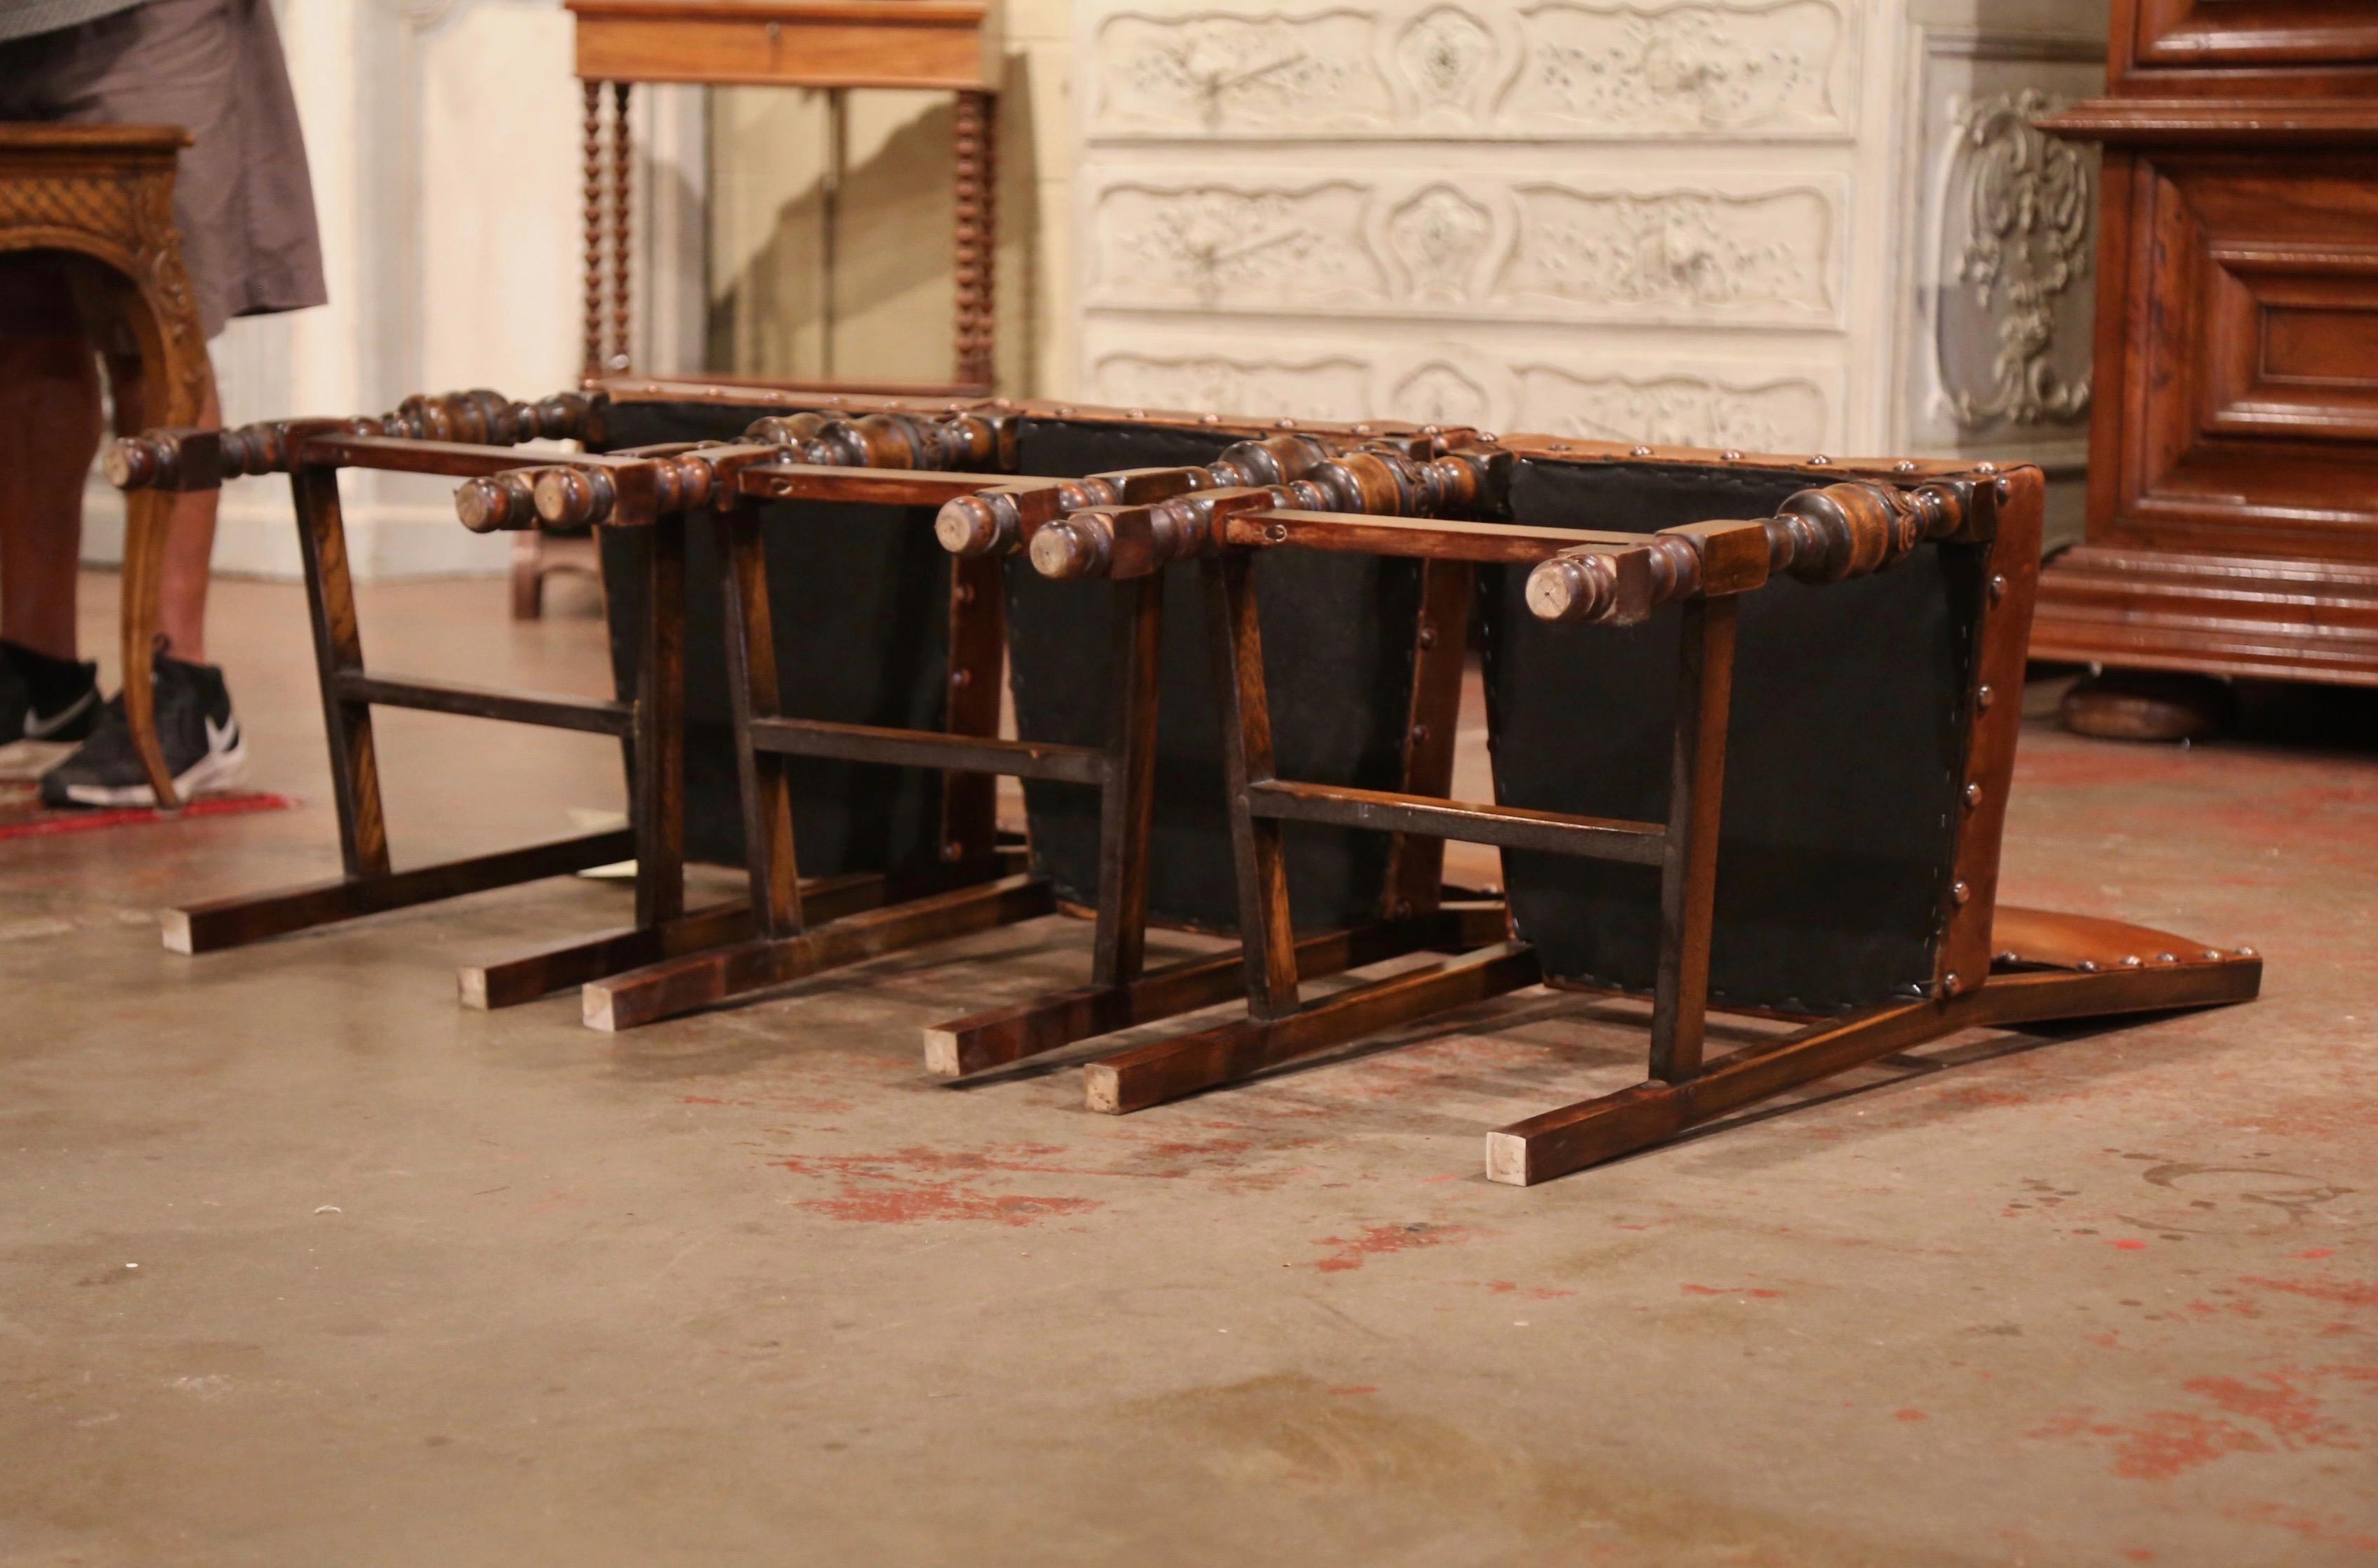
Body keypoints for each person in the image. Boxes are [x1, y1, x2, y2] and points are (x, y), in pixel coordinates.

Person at [0, 0, 323, 806]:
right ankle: (40, 678)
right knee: (23, 331)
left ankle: (180, 689)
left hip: (143, 16)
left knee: (150, 328)